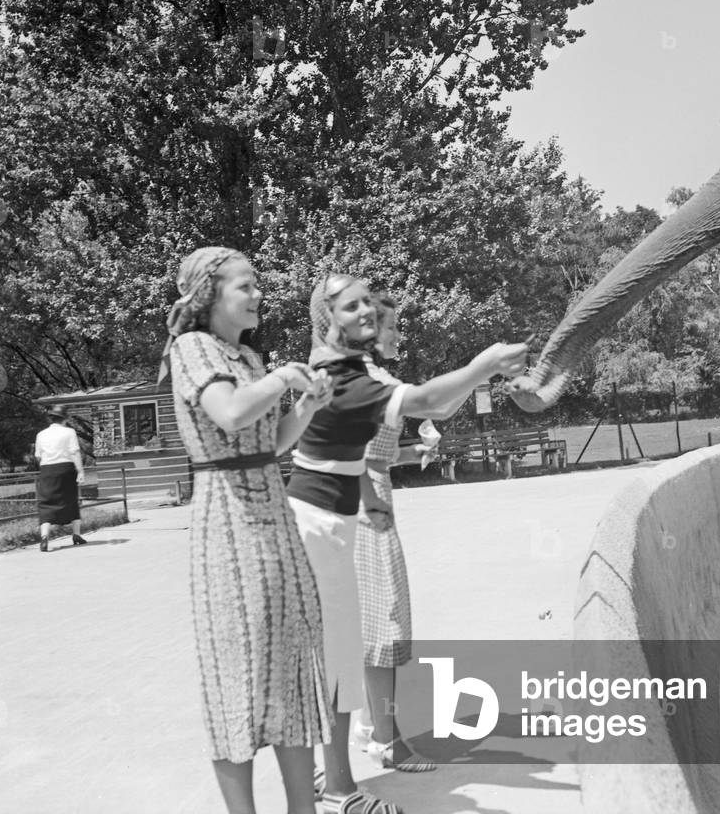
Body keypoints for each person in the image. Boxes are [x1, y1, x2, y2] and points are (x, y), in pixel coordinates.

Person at [288, 273, 528, 814]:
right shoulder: (344, 371)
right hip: (343, 512)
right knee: (361, 638)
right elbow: (426, 404)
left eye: (377, 311)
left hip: (354, 506)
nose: (380, 322)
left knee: (360, 636)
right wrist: (484, 364)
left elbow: (426, 410)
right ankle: (349, 775)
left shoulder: (355, 371)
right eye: (363, 310)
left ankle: (344, 769)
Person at [160, 245, 336, 814]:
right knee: (236, 667)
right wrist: (284, 376)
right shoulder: (191, 349)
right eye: (246, 286)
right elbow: (231, 414)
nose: (259, 294)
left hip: (273, 513)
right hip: (228, 520)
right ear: (211, 295)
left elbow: (272, 441)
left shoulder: (250, 359)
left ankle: (301, 809)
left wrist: (305, 405)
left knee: (291, 661)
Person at [352, 296, 457, 772]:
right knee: (383, 622)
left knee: (373, 620)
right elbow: (435, 401)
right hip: (364, 508)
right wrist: (487, 368)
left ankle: (369, 725)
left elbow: (374, 454)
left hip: (365, 495)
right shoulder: (372, 380)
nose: (400, 336)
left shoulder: (365, 377)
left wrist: (415, 453)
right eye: (393, 328)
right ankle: (387, 738)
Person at [34, 404, 87, 551]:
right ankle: (76, 535)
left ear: (51, 418)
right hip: (65, 469)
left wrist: (47, 468)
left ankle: (44, 537)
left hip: (47, 470)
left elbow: (38, 456)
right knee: (71, 500)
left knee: (46, 502)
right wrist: (80, 471)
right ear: (64, 419)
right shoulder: (69, 432)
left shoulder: (41, 434)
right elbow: (75, 452)